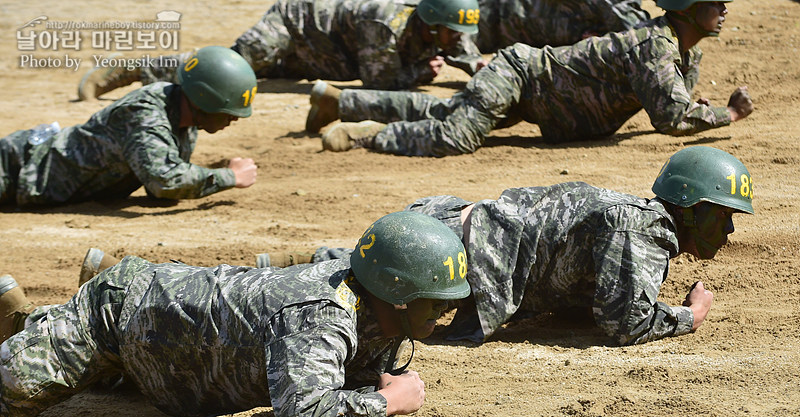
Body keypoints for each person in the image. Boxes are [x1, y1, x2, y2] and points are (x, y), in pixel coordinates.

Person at [0, 212, 470, 417]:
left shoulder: (371, 301)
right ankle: (29, 323)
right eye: (436, 302)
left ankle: (27, 320)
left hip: (169, 362)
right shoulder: (320, 314)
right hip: (113, 319)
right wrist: (387, 401)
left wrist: (371, 380)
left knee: (107, 381)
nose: (444, 313)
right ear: (395, 292)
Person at [257, 146, 754, 345]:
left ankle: (296, 262)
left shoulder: (636, 218)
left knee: (354, 274)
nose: (728, 231)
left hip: (459, 227)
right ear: (688, 205)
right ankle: (273, 275)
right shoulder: (643, 230)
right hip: (466, 251)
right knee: (357, 298)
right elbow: (624, 321)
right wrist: (690, 315)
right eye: (723, 215)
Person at [309, 0, 754, 156]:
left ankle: (341, 102)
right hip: (522, 74)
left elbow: (678, 101)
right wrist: (728, 114)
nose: (724, 12)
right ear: (689, 7)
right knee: (456, 136)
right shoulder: (655, 46)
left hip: (539, 97)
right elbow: (672, 116)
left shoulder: (682, 52)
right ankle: (368, 135)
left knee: (449, 110)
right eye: (716, 3)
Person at [77, 0, 485, 102]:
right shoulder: (383, 23)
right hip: (295, 24)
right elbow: (377, 82)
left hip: (323, 54)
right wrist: (416, 75)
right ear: (432, 23)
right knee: (233, 67)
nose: (457, 39)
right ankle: (129, 70)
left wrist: (482, 68)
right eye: (452, 33)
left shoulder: (444, 28)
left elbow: (469, 54)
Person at [1, 47, 258, 207]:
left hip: (28, 180)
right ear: (204, 99)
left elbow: (161, 189)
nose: (234, 119)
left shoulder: (184, 120)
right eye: (229, 112)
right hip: (15, 167)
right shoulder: (145, 114)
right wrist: (230, 177)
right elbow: (164, 181)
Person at [473, 0, 650, 53]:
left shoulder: (621, 9)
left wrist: (601, 41)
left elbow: (638, 39)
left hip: (511, 36)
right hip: (493, 16)